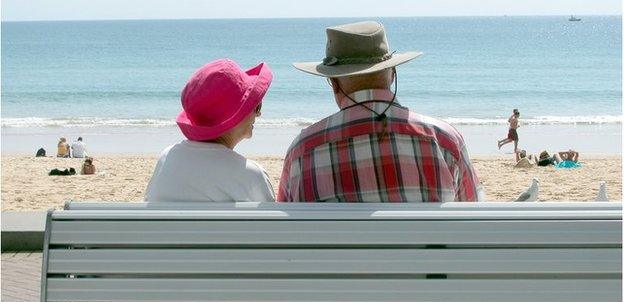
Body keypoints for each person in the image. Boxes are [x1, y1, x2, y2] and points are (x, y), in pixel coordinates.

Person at [278, 21, 480, 202]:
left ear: (334, 83)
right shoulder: (444, 140)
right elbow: (474, 219)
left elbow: (285, 231)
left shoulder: (302, 150)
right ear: (393, 74)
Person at [145, 59, 275, 202]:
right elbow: (274, 224)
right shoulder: (251, 176)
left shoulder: (167, 158)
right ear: (234, 118)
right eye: (256, 106)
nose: (258, 114)